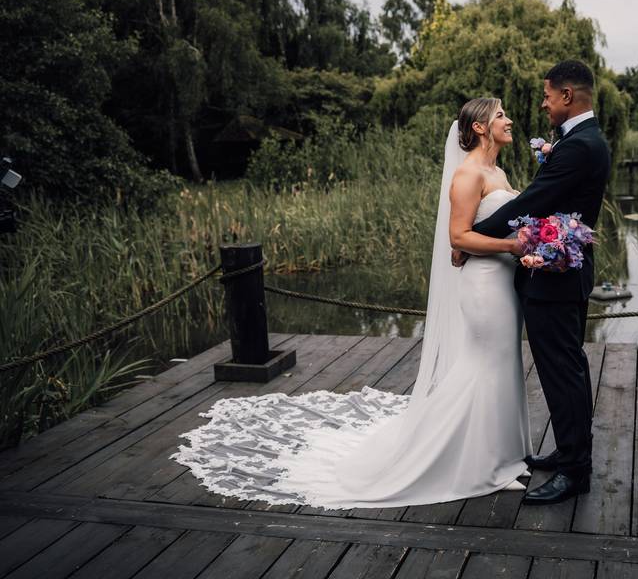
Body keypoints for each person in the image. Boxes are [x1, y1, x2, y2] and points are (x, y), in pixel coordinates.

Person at [171, 98, 533, 509]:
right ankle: (477, 464)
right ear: (481, 127)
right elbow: (459, 238)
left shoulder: (498, 171)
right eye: (501, 115)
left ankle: (502, 453)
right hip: (483, 286)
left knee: (502, 362)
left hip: (504, 281)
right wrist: (512, 245)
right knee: (482, 365)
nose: (509, 120)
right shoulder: (467, 174)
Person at [469, 60, 611, 505]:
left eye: (548, 96)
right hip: (563, 272)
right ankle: (570, 453)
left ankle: (575, 471)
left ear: (568, 96)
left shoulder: (578, 146)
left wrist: (472, 238)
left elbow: (533, 200)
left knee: (562, 371)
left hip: (556, 277)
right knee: (566, 368)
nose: (544, 104)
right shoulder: (583, 141)